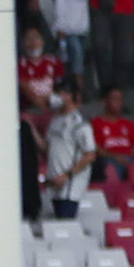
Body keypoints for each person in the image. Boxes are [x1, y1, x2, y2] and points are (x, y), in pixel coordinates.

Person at [43, 80, 96, 220]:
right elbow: (47, 147)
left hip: (69, 184)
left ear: (71, 96)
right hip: (54, 182)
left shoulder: (79, 122)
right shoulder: (55, 119)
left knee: (65, 224)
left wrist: (67, 175)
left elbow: (90, 155)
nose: (58, 96)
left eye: (62, 93)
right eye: (57, 92)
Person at [50, 0, 90, 84]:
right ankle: (77, 88)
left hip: (82, 26)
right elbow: (60, 2)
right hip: (67, 27)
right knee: (75, 57)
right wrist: (60, 26)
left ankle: (77, 88)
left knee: (80, 58)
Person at [89, 86, 134, 183]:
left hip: (129, 160)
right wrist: (116, 157)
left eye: (120, 100)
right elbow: (96, 149)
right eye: (115, 99)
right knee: (111, 168)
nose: (119, 103)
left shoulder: (129, 124)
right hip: (107, 161)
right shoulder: (95, 123)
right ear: (105, 101)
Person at [17, 27, 66, 115]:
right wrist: (44, 107)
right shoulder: (21, 64)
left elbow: (62, 86)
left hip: (54, 106)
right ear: (23, 42)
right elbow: (26, 90)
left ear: (42, 40)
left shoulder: (53, 61)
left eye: (36, 38)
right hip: (30, 110)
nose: (33, 42)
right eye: (29, 38)